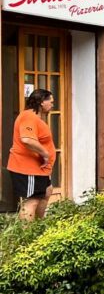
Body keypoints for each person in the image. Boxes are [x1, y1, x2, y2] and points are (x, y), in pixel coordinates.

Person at [8, 88, 57, 221]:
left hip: (39, 170)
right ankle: (27, 236)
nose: (53, 104)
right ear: (42, 102)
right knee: (32, 201)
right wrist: (45, 154)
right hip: (27, 168)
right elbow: (27, 139)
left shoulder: (35, 118)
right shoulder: (28, 116)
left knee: (47, 190)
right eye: (50, 102)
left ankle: (38, 226)